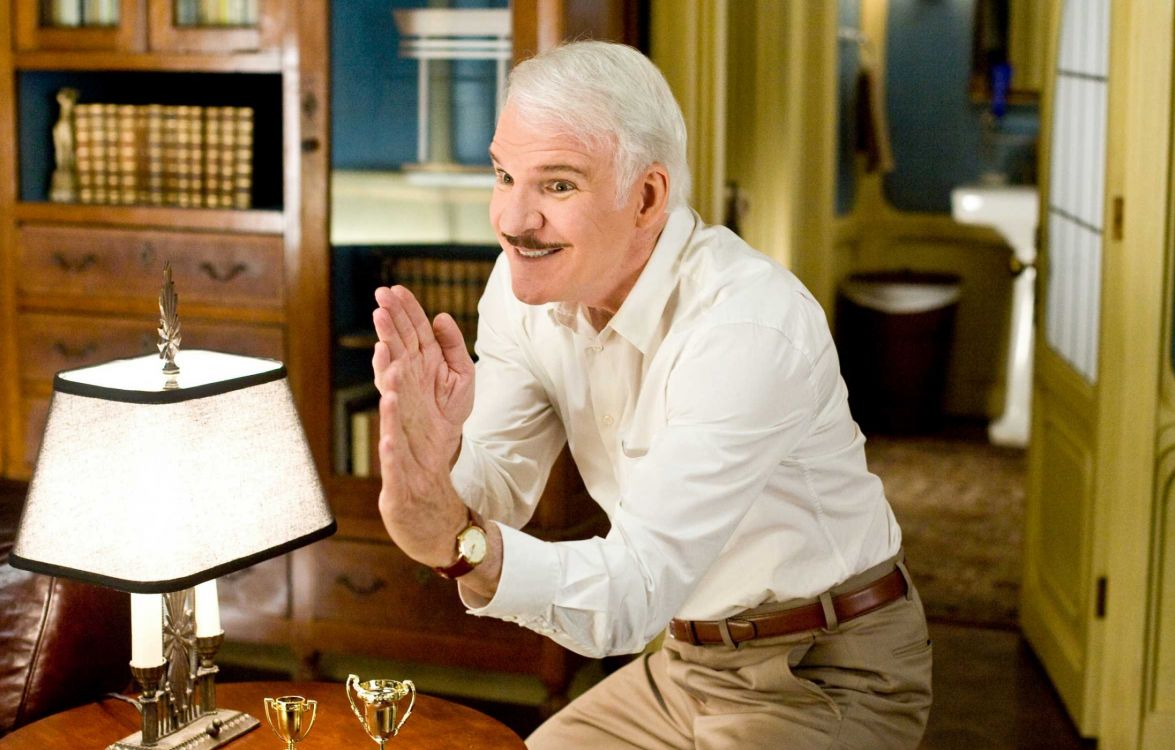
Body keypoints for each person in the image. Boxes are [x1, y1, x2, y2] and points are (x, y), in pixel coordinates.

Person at [370, 40, 933, 749]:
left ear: (647, 197)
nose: (514, 219)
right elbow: (496, 491)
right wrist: (437, 452)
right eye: (504, 174)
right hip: (682, 663)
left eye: (557, 185)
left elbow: (632, 589)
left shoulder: (746, 324)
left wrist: (463, 546)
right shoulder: (524, 292)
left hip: (824, 670)